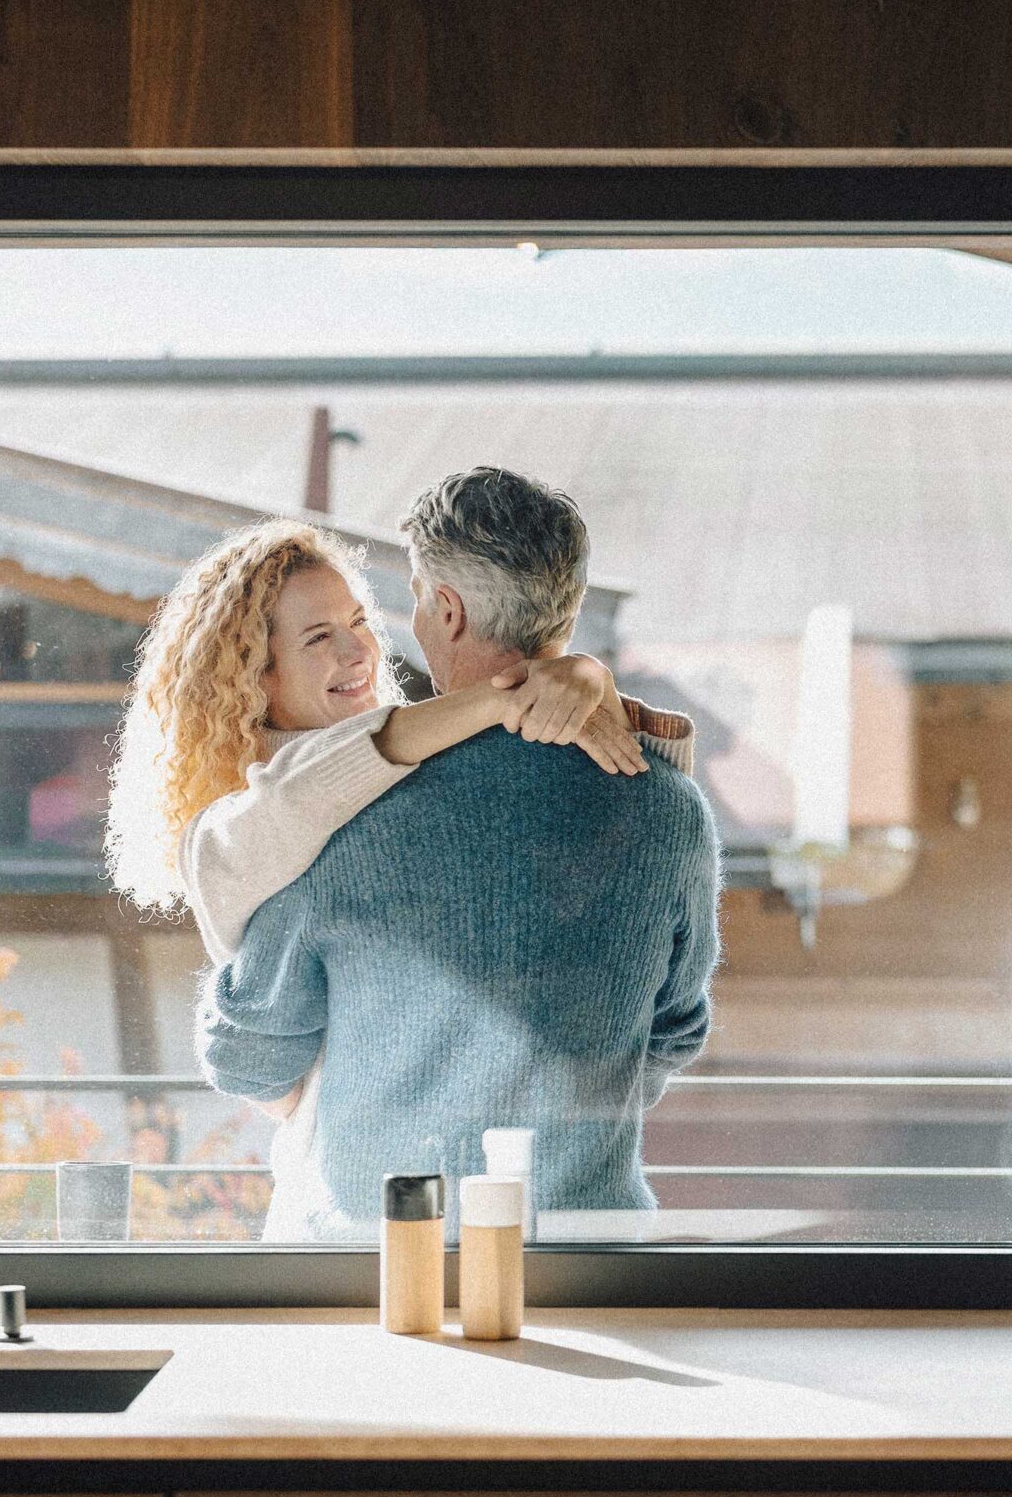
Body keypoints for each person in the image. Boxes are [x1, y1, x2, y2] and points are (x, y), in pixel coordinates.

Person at [190, 468, 721, 1234]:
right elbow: (673, 1032)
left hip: (383, 1253)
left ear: (447, 610)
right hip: (592, 1249)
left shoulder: (346, 806)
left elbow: (252, 1057)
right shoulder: (670, 805)